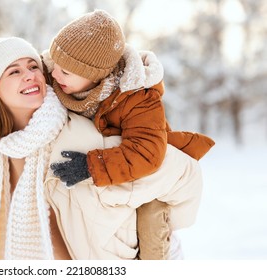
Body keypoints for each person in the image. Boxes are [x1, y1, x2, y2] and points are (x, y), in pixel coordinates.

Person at [0, 35, 204, 260]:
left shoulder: (81, 135)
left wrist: (94, 167)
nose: (30, 75)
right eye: (14, 71)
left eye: (33, 66)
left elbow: (180, 173)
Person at [41, 10, 215, 259]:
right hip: (110, 186)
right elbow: (18, 99)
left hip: (143, 178)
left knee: (150, 224)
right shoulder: (60, 70)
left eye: (65, 72)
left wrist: (92, 167)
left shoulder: (138, 97)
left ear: (94, 75)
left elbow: (146, 151)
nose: (55, 75)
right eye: (54, 66)